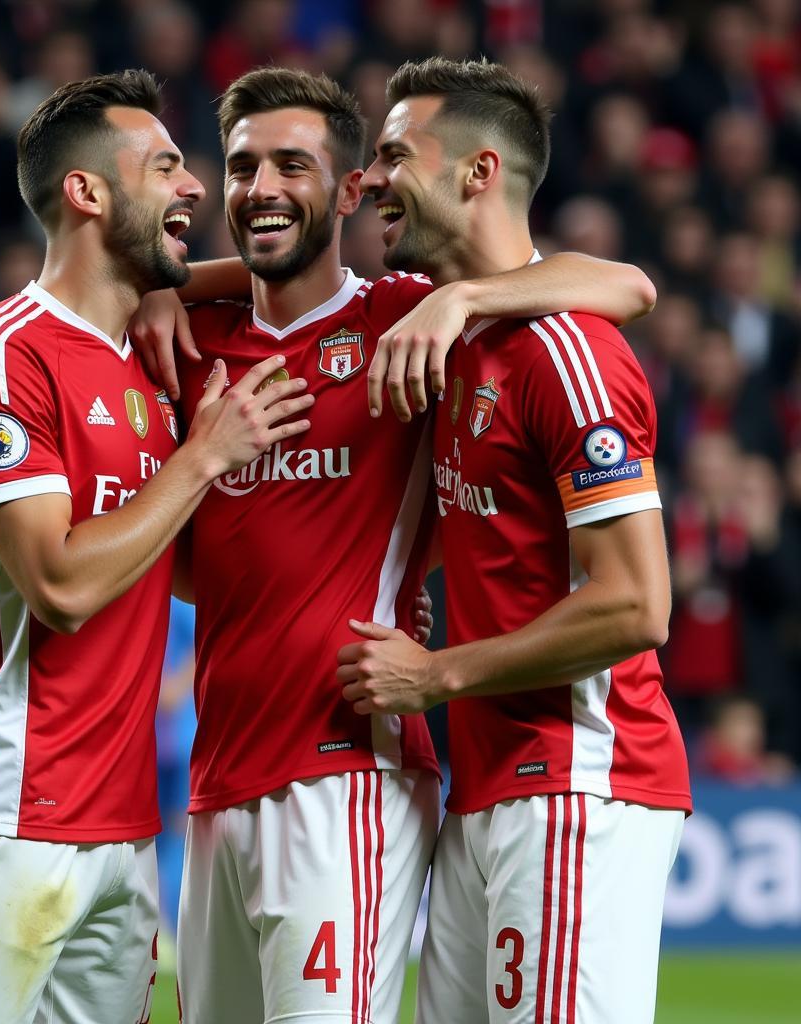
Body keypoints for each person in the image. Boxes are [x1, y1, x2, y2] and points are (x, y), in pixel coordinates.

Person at [129, 67, 657, 1023]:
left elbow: (626, 284)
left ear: (347, 191)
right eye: (242, 166)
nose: (261, 187)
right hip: (225, 779)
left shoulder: (406, 324)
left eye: (297, 164)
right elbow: (211, 570)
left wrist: (461, 301)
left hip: (359, 773)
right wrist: (158, 290)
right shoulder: (190, 342)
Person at [0, 71, 315, 1024]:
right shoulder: (2, 355)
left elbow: (316, 266)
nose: (194, 187)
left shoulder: (142, 370)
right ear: (86, 193)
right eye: (164, 166)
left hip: (122, 831)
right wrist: (203, 456)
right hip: (9, 812)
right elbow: (62, 584)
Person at [336, 58, 691, 1024]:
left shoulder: (566, 354)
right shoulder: (446, 339)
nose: (368, 181)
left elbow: (637, 605)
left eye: (395, 154)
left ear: (479, 173)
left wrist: (436, 675)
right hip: (488, 789)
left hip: (578, 783)